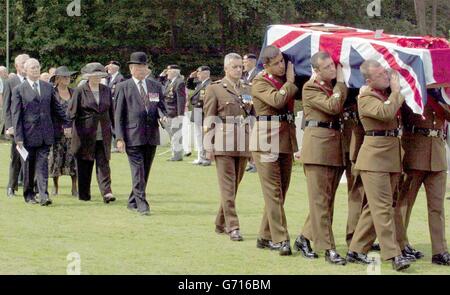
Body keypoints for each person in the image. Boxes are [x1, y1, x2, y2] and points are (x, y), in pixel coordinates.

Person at [347, 59, 411, 271]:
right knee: (383, 208)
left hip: (390, 157)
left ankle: (356, 250)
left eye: (386, 73)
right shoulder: (365, 97)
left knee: (374, 208)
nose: (386, 77)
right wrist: (395, 91)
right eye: (381, 75)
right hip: (374, 159)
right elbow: (385, 113)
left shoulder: (384, 95)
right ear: (369, 80)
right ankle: (394, 255)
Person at [295, 51, 348, 265]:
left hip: (333, 148)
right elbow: (333, 106)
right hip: (318, 149)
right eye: (327, 67)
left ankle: (304, 237)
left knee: (326, 201)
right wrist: (341, 84)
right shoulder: (310, 87)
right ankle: (328, 248)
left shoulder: (328, 87)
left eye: (333, 66)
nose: (333, 70)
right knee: (320, 201)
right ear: (316, 70)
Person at [250, 45, 298, 255]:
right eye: (277, 63)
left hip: (285, 139)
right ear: (266, 65)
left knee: (281, 190)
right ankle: (281, 238)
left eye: (282, 61)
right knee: (273, 191)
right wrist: (289, 81)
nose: (282, 65)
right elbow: (278, 100)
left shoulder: (281, 81)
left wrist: (288, 81)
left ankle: (264, 235)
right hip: (266, 140)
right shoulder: (260, 82)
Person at [394, 91, 450, 266]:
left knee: (437, 207)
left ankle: (439, 251)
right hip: (415, 150)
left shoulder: (445, 94)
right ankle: (401, 246)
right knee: (404, 204)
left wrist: (442, 95)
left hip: (438, 154)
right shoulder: (412, 88)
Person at [203, 53, 253, 242]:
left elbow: (252, 116)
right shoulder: (215, 89)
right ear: (226, 69)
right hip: (223, 142)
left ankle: (220, 221)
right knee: (227, 186)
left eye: (241, 67)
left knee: (234, 186)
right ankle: (233, 226)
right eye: (235, 67)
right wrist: (208, 145)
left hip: (243, 141)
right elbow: (208, 118)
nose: (239, 70)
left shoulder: (248, 88)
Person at [115, 52, 167, 215]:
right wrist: (119, 137)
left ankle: (132, 201)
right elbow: (118, 114)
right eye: (138, 66)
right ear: (131, 69)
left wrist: (163, 115)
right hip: (132, 135)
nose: (142, 69)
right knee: (137, 170)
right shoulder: (124, 86)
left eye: (144, 66)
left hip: (151, 134)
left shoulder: (155, 86)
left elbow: (161, 106)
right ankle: (142, 204)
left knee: (145, 170)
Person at [11, 58, 69, 205]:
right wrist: (18, 137)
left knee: (43, 165)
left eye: (37, 67)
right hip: (27, 134)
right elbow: (16, 115)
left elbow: (57, 108)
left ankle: (43, 195)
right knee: (29, 166)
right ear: (25, 70)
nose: (35, 70)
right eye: (32, 68)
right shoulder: (19, 89)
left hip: (45, 133)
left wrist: (68, 122)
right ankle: (29, 194)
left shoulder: (48, 87)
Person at [68, 63, 115, 203]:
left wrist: (115, 132)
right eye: (94, 76)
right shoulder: (80, 91)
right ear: (88, 77)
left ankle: (107, 193)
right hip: (85, 135)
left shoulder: (106, 90)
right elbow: (71, 112)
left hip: (103, 134)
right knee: (85, 164)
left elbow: (111, 111)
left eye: (100, 76)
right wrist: (68, 128)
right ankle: (84, 194)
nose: (97, 78)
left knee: (104, 164)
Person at [48, 66, 78, 196]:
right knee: (56, 159)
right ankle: (55, 187)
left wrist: (71, 127)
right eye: (65, 77)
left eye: (69, 76)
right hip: (56, 132)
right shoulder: (52, 93)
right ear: (58, 79)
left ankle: (74, 187)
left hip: (73, 131)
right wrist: (62, 127)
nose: (68, 79)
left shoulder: (74, 92)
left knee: (73, 159)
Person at [3, 54, 30, 197]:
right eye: (23, 63)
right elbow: (6, 106)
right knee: (16, 157)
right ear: (17, 66)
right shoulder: (10, 82)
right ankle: (11, 187)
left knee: (30, 158)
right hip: (16, 126)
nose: (26, 65)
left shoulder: (32, 81)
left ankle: (30, 188)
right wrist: (9, 126)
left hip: (31, 127)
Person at [187, 65, 212, 166]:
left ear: (205, 73)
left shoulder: (209, 84)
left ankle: (206, 158)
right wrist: (190, 77)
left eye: (199, 73)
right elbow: (189, 86)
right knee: (198, 136)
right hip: (197, 111)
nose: (197, 75)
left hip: (204, 112)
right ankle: (200, 157)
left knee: (205, 137)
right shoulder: (200, 84)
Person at [162, 65, 186, 161]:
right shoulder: (169, 82)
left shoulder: (179, 83)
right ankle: (175, 153)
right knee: (173, 135)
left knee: (176, 135)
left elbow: (181, 99)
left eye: (168, 71)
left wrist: (180, 114)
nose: (167, 72)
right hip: (169, 112)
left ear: (174, 72)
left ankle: (177, 155)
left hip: (175, 113)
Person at [242, 53, 258, 173]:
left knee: (255, 138)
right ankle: (251, 162)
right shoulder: (245, 75)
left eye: (245, 61)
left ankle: (257, 163)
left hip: (256, 110)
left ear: (252, 61)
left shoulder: (258, 74)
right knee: (248, 138)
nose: (243, 64)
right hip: (247, 110)